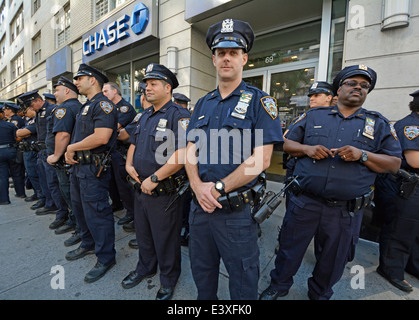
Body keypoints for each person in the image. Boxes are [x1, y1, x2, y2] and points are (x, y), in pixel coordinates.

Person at [259, 65, 402, 300]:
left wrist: (363, 155)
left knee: (333, 258)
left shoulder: (377, 123)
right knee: (289, 249)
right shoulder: (314, 115)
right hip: (305, 203)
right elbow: (286, 144)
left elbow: (394, 163)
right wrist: (307, 149)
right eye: (352, 83)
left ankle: (320, 293)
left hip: (344, 211)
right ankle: (279, 285)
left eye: (364, 86)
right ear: (339, 89)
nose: (358, 88)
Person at [185, 19, 284, 300]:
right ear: (213, 59)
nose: (226, 58)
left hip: (236, 214)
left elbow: (261, 160)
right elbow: (189, 149)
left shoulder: (260, 101)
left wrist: (216, 189)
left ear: (244, 58)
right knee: (202, 273)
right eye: (221, 52)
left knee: (242, 279)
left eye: (233, 52)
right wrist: (196, 186)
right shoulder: (203, 103)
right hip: (199, 209)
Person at [122, 63, 190, 300]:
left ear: (167, 87)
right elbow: (133, 142)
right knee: (144, 234)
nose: (147, 88)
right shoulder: (144, 115)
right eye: (146, 84)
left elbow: (183, 155)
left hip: (163, 191)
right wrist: (129, 165)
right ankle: (145, 267)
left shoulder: (178, 115)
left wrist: (154, 178)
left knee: (166, 239)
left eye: (153, 84)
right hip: (140, 188)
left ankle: (169, 279)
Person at [64, 64, 117, 283]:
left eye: (79, 78)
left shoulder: (103, 105)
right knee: (80, 209)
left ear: (92, 79)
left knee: (97, 213)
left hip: (93, 169)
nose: (76, 82)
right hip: (79, 168)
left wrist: (71, 148)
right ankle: (88, 243)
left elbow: (102, 137)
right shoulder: (87, 105)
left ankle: (106, 257)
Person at [376, 90, 419, 292]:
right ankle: (391, 270)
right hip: (405, 185)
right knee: (399, 230)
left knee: (414, 231)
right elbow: (414, 160)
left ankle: (413, 265)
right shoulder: (411, 125)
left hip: (412, 186)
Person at [46, 77, 82, 241]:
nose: (55, 94)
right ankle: (76, 222)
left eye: (57, 90)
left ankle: (77, 224)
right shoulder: (80, 107)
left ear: (67, 90)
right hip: (75, 161)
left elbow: (63, 135)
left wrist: (56, 156)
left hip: (65, 161)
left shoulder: (65, 109)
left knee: (70, 194)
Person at [17, 91, 58, 215]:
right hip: (40, 151)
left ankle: (58, 208)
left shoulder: (52, 110)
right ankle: (48, 202)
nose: (30, 109)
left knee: (53, 183)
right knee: (43, 181)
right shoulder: (39, 113)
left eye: (30, 105)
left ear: (38, 100)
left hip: (50, 151)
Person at [103, 82, 137, 225]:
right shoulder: (109, 109)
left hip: (122, 152)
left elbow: (113, 127)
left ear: (115, 91)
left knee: (124, 185)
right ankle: (117, 204)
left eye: (106, 91)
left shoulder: (125, 108)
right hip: (111, 150)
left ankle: (131, 212)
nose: (103, 94)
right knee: (112, 182)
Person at [15, 105, 45, 210]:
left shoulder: (36, 120)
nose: (24, 112)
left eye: (25, 110)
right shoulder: (30, 121)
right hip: (27, 150)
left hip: (33, 151)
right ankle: (38, 194)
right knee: (32, 175)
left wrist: (23, 133)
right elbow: (19, 134)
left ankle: (42, 197)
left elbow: (22, 132)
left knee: (35, 175)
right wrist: (23, 133)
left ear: (31, 109)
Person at [3, 103, 26, 199]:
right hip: (13, 148)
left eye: (5, 109)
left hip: (16, 148)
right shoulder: (11, 120)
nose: (4, 111)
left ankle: (20, 192)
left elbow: (16, 135)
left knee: (17, 172)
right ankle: (19, 191)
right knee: (16, 172)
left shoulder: (15, 120)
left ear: (9, 110)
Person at [0, 106, 18, 205]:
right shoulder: (10, 125)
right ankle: (20, 193)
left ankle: (4, 199)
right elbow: (17, 137)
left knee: (2, 176)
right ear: (1, 114)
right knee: (17, 173)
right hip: (11, 150)